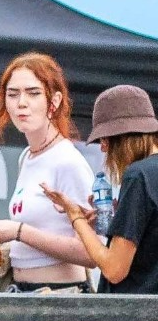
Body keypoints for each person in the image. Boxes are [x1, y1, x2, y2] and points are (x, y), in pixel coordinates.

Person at [0, 52, 94, 291]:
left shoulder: (67, 161)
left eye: (33, 93)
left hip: (60, 296)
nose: (21, 103)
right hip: (21, 293)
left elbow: (92, 253)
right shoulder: (26, 157)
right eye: (12, 94)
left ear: (55, 100)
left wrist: (18, 231)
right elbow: (37, 237)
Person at [41, 85, 158, 293]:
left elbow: (115, 269)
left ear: (122, 136)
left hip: (135, 317)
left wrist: (75, 217)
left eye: (104, 139)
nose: (103, 148)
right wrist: (117, 222)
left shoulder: (138, 175)